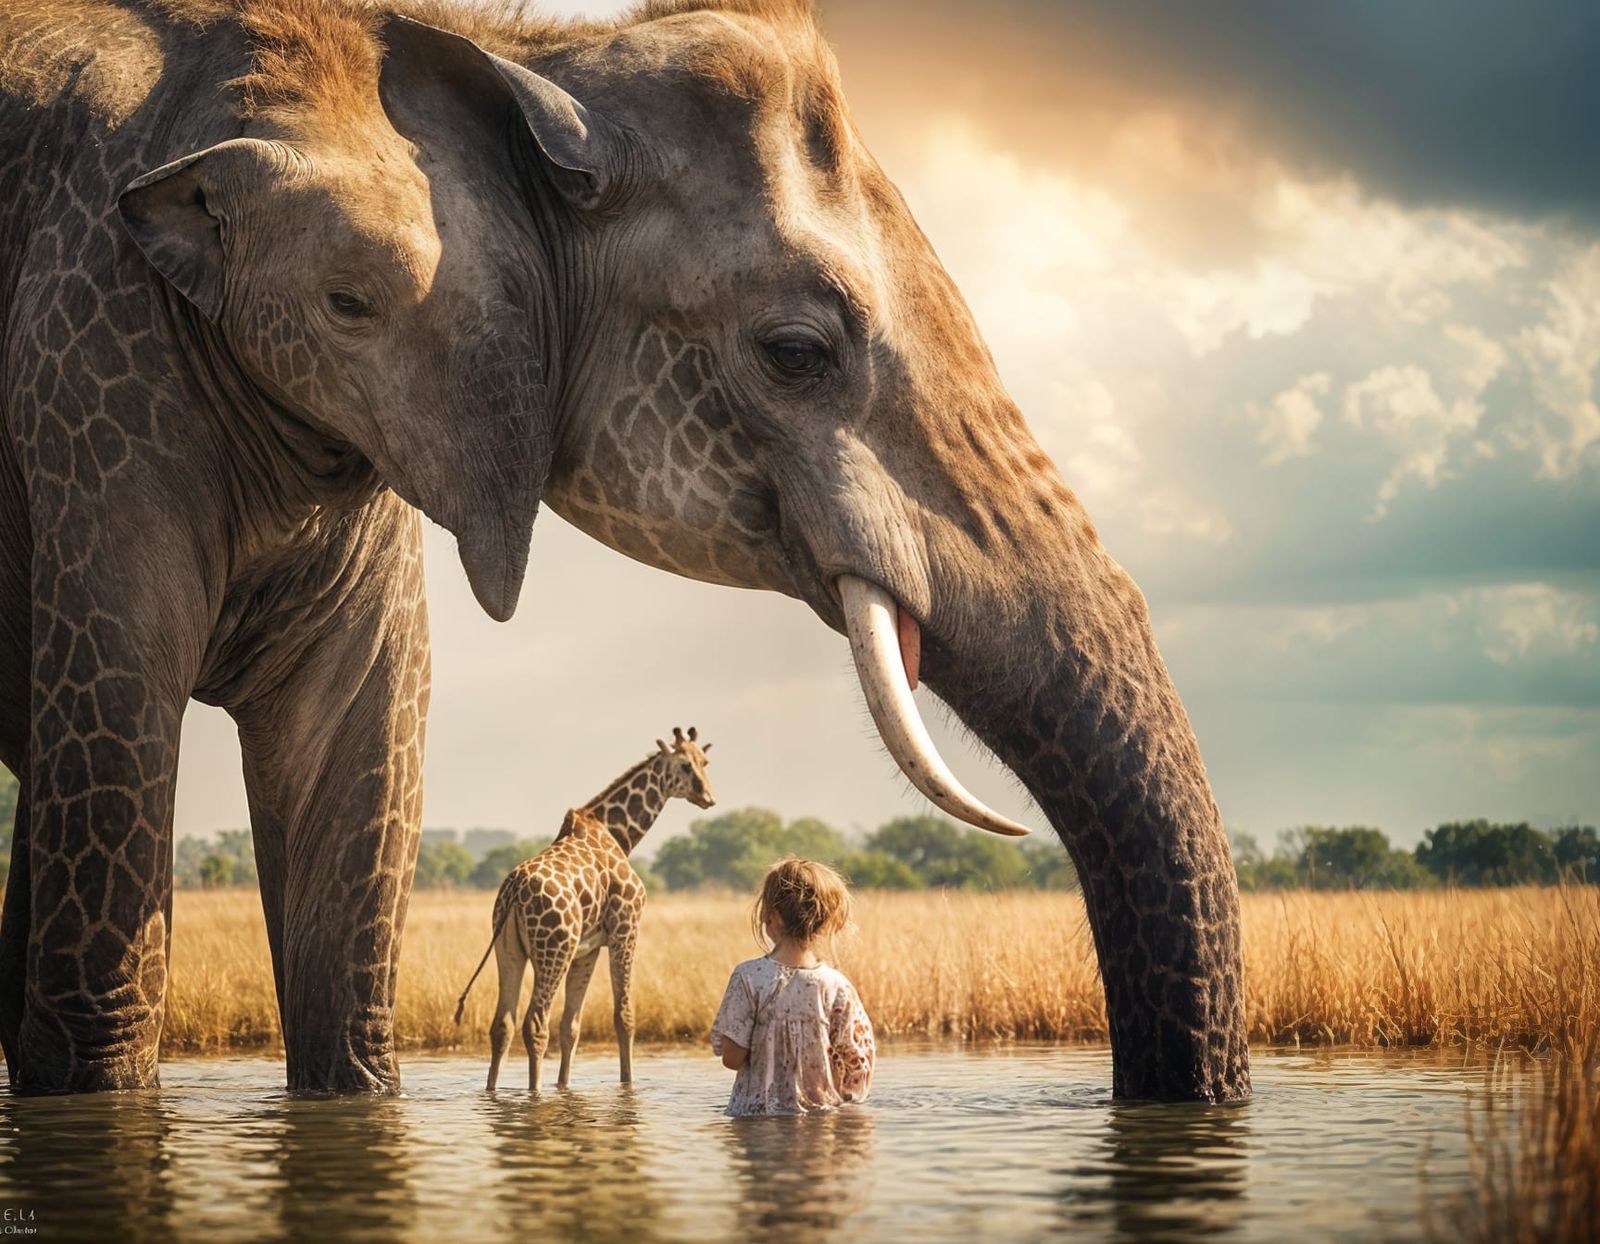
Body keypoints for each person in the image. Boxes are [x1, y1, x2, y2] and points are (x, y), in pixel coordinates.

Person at [710, 857, 876, 1116]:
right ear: (823, 921)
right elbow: (856, 1068)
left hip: (754, 1118)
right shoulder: (836, 986)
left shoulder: (749, 977)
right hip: (818, 1120)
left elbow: (731, 1059)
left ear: (772, 917)